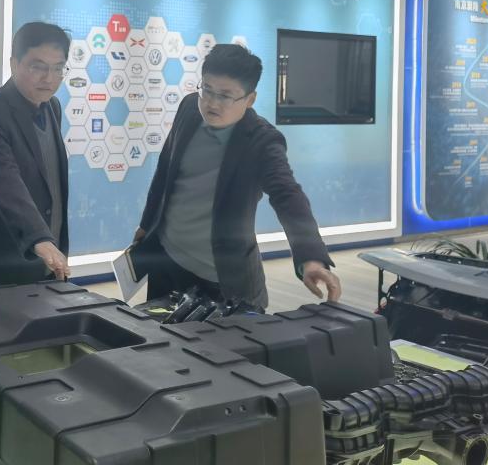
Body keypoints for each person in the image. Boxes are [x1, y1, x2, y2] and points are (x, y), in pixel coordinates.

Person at [130, 43, 341, 310]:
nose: (211, 102)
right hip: (167, 264)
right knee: (155, 335)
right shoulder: (189, 108)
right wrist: (147, 223)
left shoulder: (261, 141)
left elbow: (288, 196)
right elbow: (165, 170)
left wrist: (311, 258)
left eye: (225, 96)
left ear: (250, 100)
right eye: (207, 89)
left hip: (222, 280)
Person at [0, 22, 72, 291]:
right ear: (14, 64)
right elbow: (3, 180)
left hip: (48, 261)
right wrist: (39, 238)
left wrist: (50, 243)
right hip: (1, 266)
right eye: (38, 67)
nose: (49, 78)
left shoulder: (52, 106)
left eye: (58, 68)